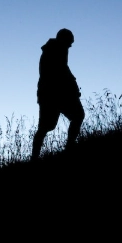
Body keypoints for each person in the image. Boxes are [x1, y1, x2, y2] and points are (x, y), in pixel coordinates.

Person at [32, 28, 85, 161]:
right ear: (63, 39)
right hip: (53, 94)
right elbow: (60, 72)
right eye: (69, 43)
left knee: (76, 116)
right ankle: (35, 157)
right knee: (46, 127)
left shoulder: (56, 49)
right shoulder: (54, 50)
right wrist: (72, 86)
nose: (70, 46)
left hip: (54, 94)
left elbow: (64, 71)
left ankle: (68, 147)